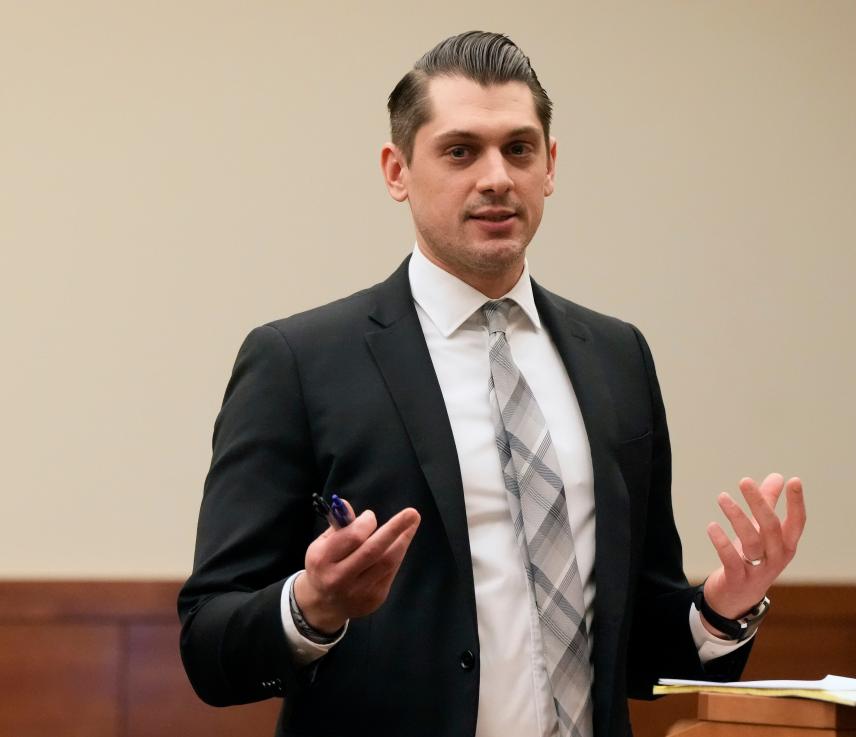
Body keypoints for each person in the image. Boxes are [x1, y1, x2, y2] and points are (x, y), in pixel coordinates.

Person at [178, 31, 806, 737]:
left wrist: (724, 606)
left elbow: (638, 653)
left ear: (550, 166)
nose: (496, 177)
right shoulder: (299, 361)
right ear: (396, 170)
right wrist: (312, 603)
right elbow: (209, 642)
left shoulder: (617, 356)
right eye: (459, 150)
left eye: (518, 148)